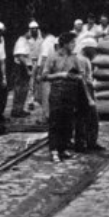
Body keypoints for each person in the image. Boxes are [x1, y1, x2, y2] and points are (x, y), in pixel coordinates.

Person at [42, 32, 82, 163]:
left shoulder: (74, 58)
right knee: (55, 122)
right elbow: (44, 76)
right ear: (65, 44)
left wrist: (77, 76)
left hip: (70, 91)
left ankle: (63, 148)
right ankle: (54, 150)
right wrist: (61, 75)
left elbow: (80, 73)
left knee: (68, 121)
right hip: (57, 92)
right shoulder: (53, 56)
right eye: (72, 43)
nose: (74, 45)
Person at [74, 39, 104, 153]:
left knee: (92, 119)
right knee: (83, 119)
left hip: (88, 90)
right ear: (87, 48)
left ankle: (91, 142)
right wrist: (89, 97)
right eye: (93, 49)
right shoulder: (81, 59)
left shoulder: (86, 59)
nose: (95, 52)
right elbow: (82, 80)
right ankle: (81, 144)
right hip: (83, 91)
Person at [11, 21, 43, 118]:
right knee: (20, 89)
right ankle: (16, 110)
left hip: (25, 66)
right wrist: (27, 70)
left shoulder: (24, 41)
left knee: (23, 89)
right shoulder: (21, 41)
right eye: (31, 31)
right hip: (22, 67)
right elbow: (21, 57)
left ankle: (19, 109)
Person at [36, 31, 58, 124]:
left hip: (47, 71)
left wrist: (40, 74)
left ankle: (46, 116)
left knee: (45, 95)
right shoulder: (56, 40)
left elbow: (44, 59)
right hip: (55, 70)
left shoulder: (46, 42)